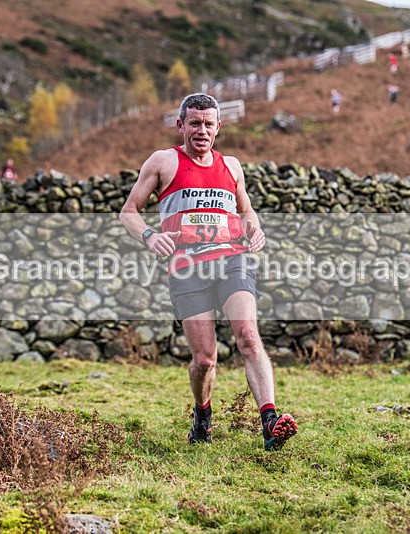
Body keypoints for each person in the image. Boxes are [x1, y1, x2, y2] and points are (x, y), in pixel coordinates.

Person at [119, 93, 298, 451]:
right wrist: (150, 236)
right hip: (187, 268)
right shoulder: (163, 161)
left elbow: (247, 210)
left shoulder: (231, 165)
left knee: (248, 335)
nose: (202, 130)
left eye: (209, 124)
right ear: (181, 124)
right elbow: (128, 211)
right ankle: (202, 415)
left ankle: (269, 421)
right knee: (205, 359)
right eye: (195, 123)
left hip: (233, 259)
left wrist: (255, 229)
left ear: (219, 127)